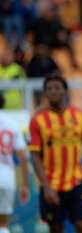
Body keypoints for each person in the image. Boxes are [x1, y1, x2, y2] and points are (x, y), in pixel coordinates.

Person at [28, 74, 82, 233]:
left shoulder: (79, 116)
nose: (53, 91)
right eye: (49, 89)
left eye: (57, 88)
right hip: (51, 186)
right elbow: (34, 156)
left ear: (65, 91)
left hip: (76, 184)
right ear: (45, 93)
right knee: (56, 229)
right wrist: (46, 186)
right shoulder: (38, 120)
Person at [0, 93, 30, 233]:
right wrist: (25, 184)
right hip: (7, 178)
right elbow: (23, 157)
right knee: (3, 223)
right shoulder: (11, 124)